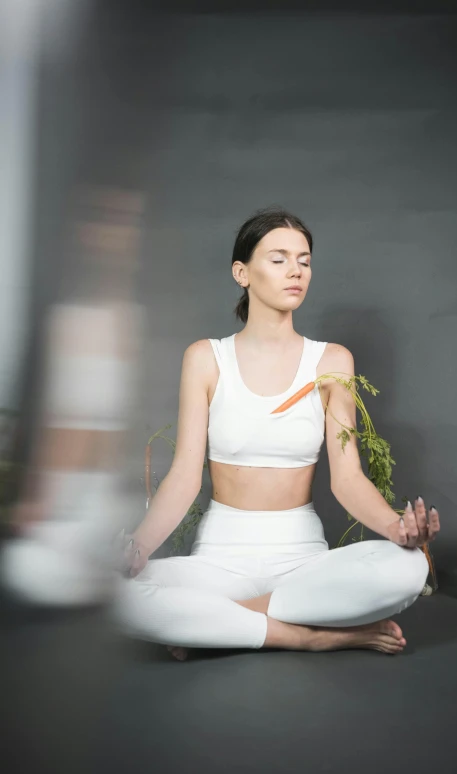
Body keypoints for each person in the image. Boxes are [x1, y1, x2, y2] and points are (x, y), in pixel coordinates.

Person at [115, 206, 440, 659]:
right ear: (241, 272)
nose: (296, 271)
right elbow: (185, 476)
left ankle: (217, 623)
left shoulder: (332, 361)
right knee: (111, 594)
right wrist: (137, 549)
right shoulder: (206, 358)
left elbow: (346, 479)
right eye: (279, 258)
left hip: (302, 559)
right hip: (219, 559)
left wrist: (397, 529)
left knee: (406, 570)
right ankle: (312, 636)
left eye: (304, 261)